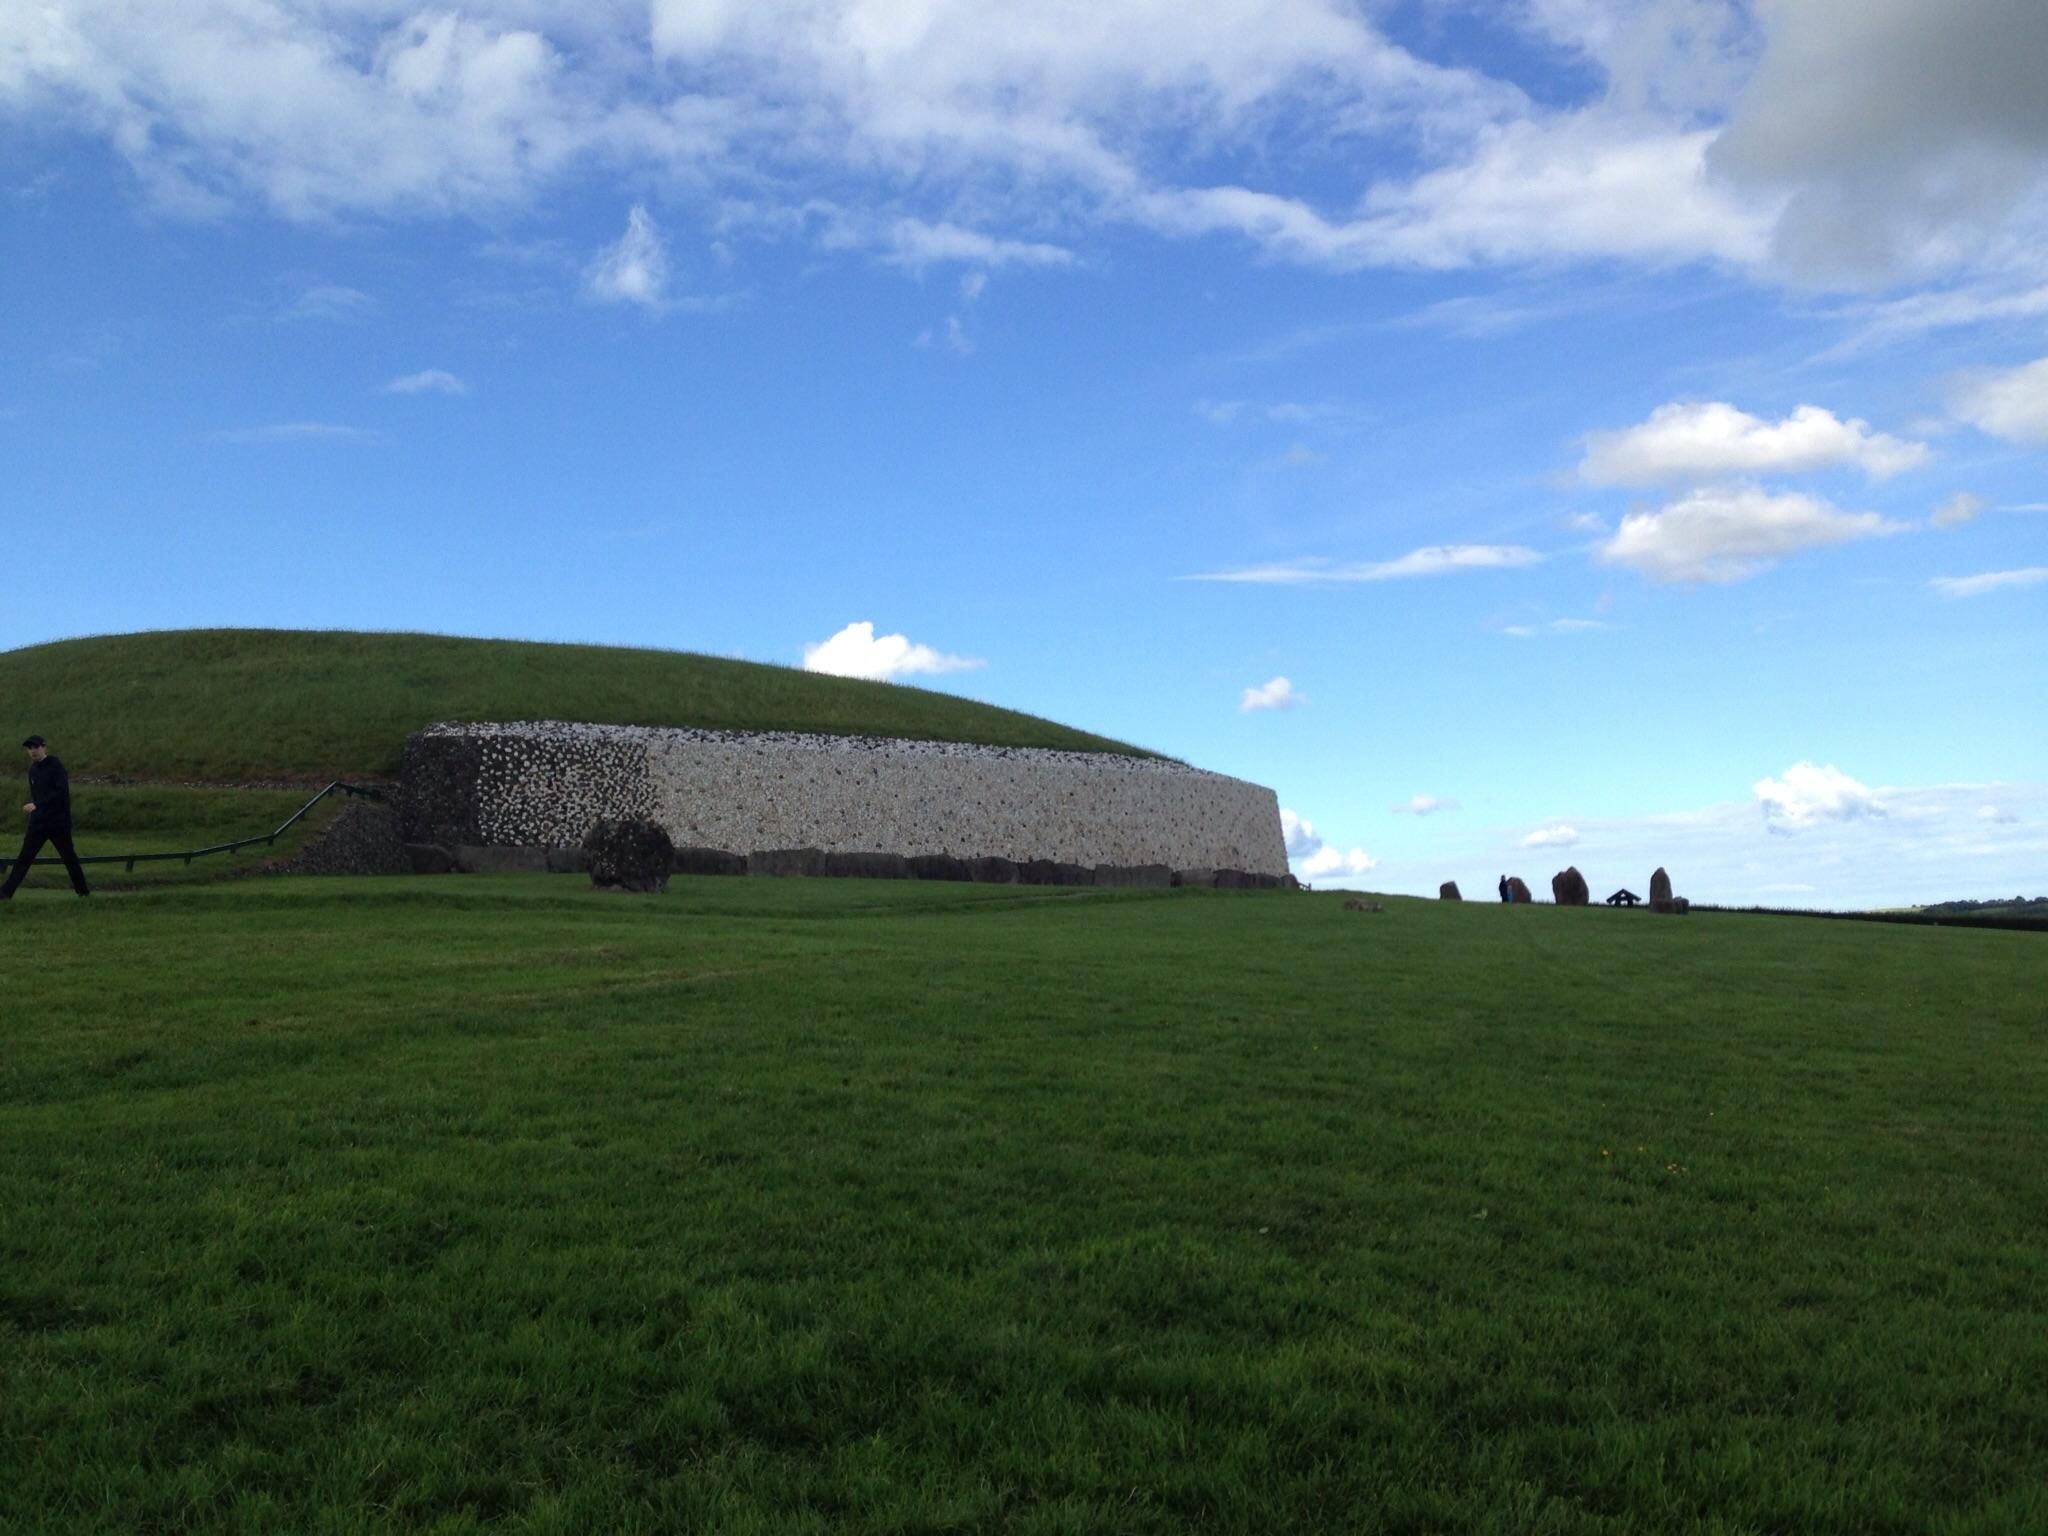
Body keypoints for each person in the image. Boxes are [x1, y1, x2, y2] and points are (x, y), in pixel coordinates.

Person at [0, 735, 91, 899]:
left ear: (43, 747)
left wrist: (38, 805)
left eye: (36, 747)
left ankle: (83, 892)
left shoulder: (55, 765)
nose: (33, 751)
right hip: (39, 823)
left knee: (69, 858)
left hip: (58, 823)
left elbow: (61, 792)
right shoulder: (33, 770)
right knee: (24, 858)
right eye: (29, 748)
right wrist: (35, 812)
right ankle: (6, 893)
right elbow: (36, 795)